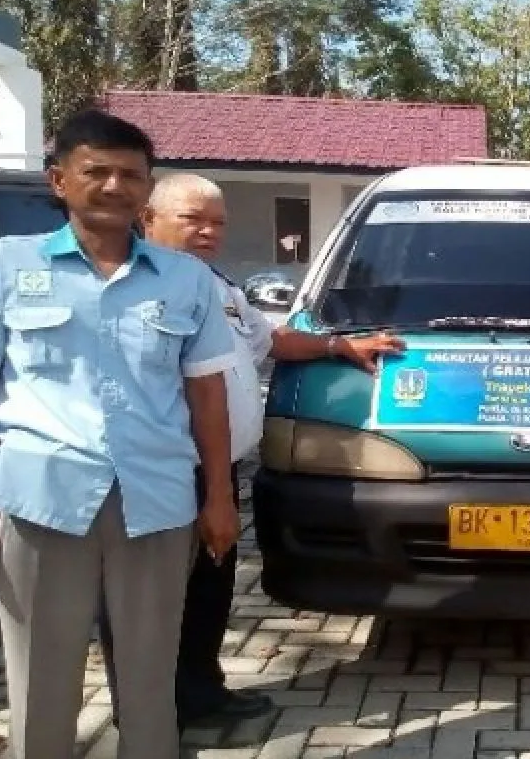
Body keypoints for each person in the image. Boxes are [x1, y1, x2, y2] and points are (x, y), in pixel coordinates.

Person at [0, 109, 239, 758]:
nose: (115, 186)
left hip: (157, 501)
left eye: (131, 174)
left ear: (147, 189)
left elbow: (207, 394)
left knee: (150, 680)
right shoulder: (3, 265)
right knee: (41, 680)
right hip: (40, 498)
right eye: (97, 171)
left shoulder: (186, 279)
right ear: (59, 180)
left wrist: (220, 497)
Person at [96, 172, 406, 728]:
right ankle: (151, 716)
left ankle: (200, 692)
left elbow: (269, 340)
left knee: (208, 587)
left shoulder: (214, 284)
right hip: (160, 470)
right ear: (148, 219)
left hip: (214, 467)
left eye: (217, 223)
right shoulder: (133, 286)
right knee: (152, 599)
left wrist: (339, 345)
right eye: (193, 220)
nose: (208, 232)